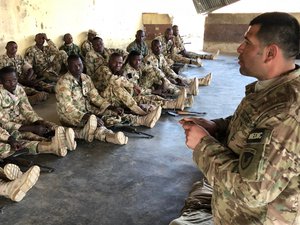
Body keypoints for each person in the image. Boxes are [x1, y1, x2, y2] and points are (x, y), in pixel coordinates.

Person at [179, 12, 300, 224]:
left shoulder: (286, 112)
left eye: (247, 42)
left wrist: (202, 144)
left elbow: (251, 192)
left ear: (270, 53)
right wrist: (216, 126)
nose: (239, 48)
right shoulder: (272, 90)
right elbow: (253, 128)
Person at [55, 54, 162, 145]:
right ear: (68, 68)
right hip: (70, 116)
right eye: (74, 66)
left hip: (87, 109)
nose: (78, 68)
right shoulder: (63, 83)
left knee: (111, 114)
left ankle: (141, 120)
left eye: (80, 65)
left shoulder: (85, 78)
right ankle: (111, 136)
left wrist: (111, 107)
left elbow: (95, 97)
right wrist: (89, 117)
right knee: (94, 125)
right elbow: (68, 108)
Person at [0, 66, 76, 156]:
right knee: (28, 135)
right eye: (8, 81)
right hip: (10, 128)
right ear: (1, 82)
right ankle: (53, 145)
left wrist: (39, 122)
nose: (13, 83)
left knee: (46, 125)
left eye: (14, 79)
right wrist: (32, 128)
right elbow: (4, 123)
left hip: (22, 121)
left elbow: (27, 111)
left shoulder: (18, 89)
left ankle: (66, 134)